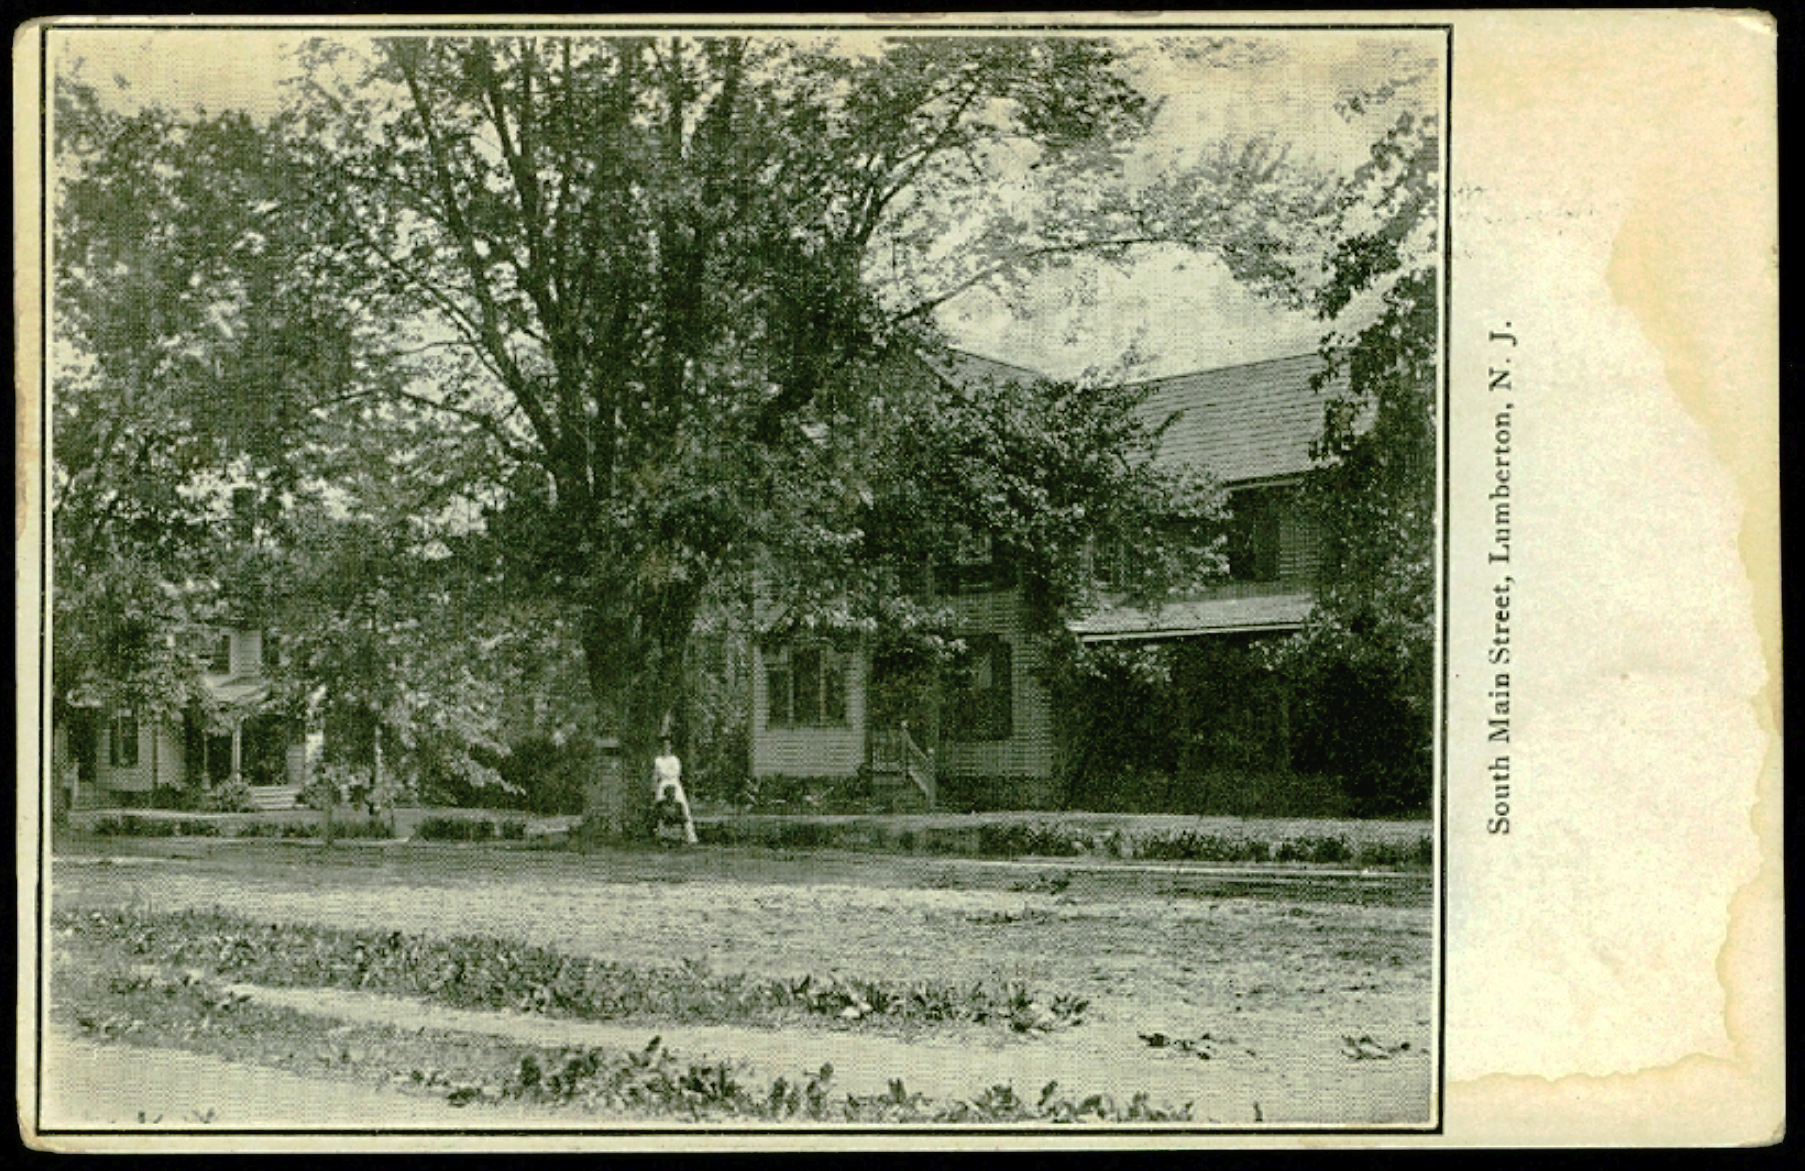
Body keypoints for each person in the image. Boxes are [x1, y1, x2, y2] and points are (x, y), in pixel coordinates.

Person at [651, 739, 698, 845]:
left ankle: (690, 836)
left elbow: (676, 772)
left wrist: (666, 776)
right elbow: (655, 774)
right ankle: (660, 836)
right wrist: (655, 786)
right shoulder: (658, 760)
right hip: (662, 784)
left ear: (670, 747)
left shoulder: (674, 759)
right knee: (659, 808)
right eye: (663, 746)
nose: (665, 748)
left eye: (667, 746)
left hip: (674, 783)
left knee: (682, 807)